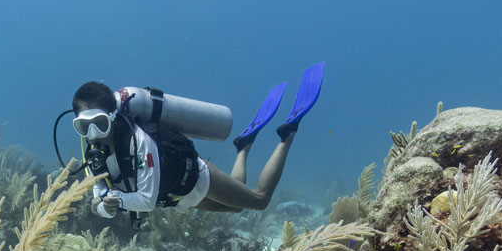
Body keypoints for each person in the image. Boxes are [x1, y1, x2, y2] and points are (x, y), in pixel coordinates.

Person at [71, 65, 323, 219]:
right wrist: (102, 206)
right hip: (178, 197)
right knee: (237, 208)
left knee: (259, 200)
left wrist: (115, 201)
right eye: (84, 127)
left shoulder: (138, 141)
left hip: (195, 177)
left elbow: (145, 200)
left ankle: (287, 134)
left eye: (100, 124)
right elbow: (99, 194)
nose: (94, 133)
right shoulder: (93, 151)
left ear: (113, 117)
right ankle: (244, 145)